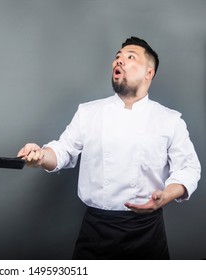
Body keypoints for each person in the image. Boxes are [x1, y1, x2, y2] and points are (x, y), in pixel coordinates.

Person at [17, 36, 201, 260]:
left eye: (130, 57)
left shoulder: (169, 120)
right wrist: (40, 155)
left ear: (148, 73)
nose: (119, 61)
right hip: (96, 230)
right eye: (117, 57)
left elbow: (189, 168)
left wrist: (165, 196)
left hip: (146, 232)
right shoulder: (88, 112)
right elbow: (62, 151)